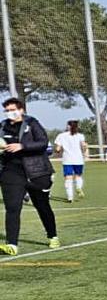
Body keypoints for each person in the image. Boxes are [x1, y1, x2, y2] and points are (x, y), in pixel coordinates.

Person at [1, 97, 59, 255]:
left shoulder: (32, 123)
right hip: (11, 172)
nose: (9, 113)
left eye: (12, 110)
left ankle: (52, 235)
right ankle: (12, 244)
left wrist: (22, 146)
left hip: (36, 172)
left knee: (42, 206)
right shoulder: (2, 126)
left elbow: (43, 142)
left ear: (21, 110)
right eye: (6, 110)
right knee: (12, 208)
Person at [54, 120, 88, 202]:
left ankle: (70, 197)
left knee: (68, 178)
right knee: (78, 176)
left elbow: (58, 149)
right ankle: (78, 187)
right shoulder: (80, 136)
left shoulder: (61, 136)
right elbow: (84, 146)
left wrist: (57, 151)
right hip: (78, 159)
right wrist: (84, 152)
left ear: (68, 126)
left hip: (67, 160)